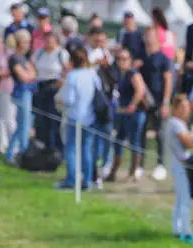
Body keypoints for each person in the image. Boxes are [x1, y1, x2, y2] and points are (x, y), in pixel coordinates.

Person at [55, 47, 97, 191]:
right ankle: (88, 180)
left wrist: (59, 99)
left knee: (71, 148)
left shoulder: (72, 77)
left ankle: (71, 179)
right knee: (87, 149)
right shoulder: (93, 75)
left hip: (74, 117)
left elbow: (69, 99)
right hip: (90, 117)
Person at [165, 94, 193, 245]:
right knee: (185, 199)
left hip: (178, 164)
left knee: (180, 198)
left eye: (187, 107)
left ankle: (177, 228)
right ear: (175, 109)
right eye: (182, 107)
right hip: (180, 164)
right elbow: (187, 143)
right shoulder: (176, 123)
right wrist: (192, 137)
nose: (186, 110)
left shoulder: (178, 123)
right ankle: (186, 232)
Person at [106, 48, 146, 182]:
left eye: (124, 59)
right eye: (118, 59)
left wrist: (132, 105)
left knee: (134, 142)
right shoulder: (121, 74)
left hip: (135, 114)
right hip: (123, 113)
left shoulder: (133, 73)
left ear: (130, 60)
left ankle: (133, 173)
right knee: (118, 141)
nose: (121, 62)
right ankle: (113, 172)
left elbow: (140, 90)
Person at [141, 27, 174, 181]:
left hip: (159, 101)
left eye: (151, 36)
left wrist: (166, 102)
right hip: (143, 102)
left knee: (160, 133)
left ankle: (161, 164)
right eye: (146, 35)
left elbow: (168, 80)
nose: (148, 38)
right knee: (140, 133)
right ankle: (139, 164)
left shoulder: (163, 58)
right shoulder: (141, 57)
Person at [87, 27, 116, 187]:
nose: (99, 43)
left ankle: (106, 164)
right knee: (94, 139)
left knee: (106, 136)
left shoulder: (108, 55)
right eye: (96, 40)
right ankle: (95, 172)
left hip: (107, 102)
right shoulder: (88, 53)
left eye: (102, 40)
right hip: (93, 101)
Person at [32, 31, 69, 151]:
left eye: (51, 39)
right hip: (41, 86)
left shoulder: (61, 53)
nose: (48, 42)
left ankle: (58, 148)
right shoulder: (39, 53)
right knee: (42, 119)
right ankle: (44, 147)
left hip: (55, 86)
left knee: (55, 119)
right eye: (46, 39)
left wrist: (58, 84)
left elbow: (67, 71)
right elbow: (32, 67)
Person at [4, 30, 36, 163]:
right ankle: (23, 152)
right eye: (26, 42)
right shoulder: (15, 58)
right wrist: (30, 75)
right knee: (24, 125)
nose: (28, 44)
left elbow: (33, 73)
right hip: (21, 93)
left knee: (23, 124)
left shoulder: (23, 57)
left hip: (27, 92)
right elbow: (23, 77)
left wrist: (30, 75)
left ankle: (11, 153)